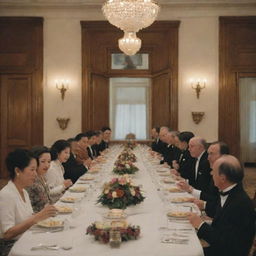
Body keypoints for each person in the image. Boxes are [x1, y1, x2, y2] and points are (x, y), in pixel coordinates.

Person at [188, 155, 255, 256]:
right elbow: (221, 225)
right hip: (220, 249)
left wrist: (200, 225)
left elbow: (225, 243)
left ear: (223, 178)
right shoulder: (229, 191)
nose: (211, 173)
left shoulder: (240, 204)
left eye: (213, 172)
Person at [0, 149, 57, 256]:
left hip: (27, 238)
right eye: (32, 170)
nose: (35, 174)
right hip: (12, 247)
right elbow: (7, 234)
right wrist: (36, 218)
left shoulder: (24, 191)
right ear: (17, 171)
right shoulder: (6, 195)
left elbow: (28, 217)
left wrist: (44, 215)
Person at [26, 146, 54, 212]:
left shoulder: (42, 176)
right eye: (43, 161)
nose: (47, 165)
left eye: (49, 161)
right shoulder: (30, 180)